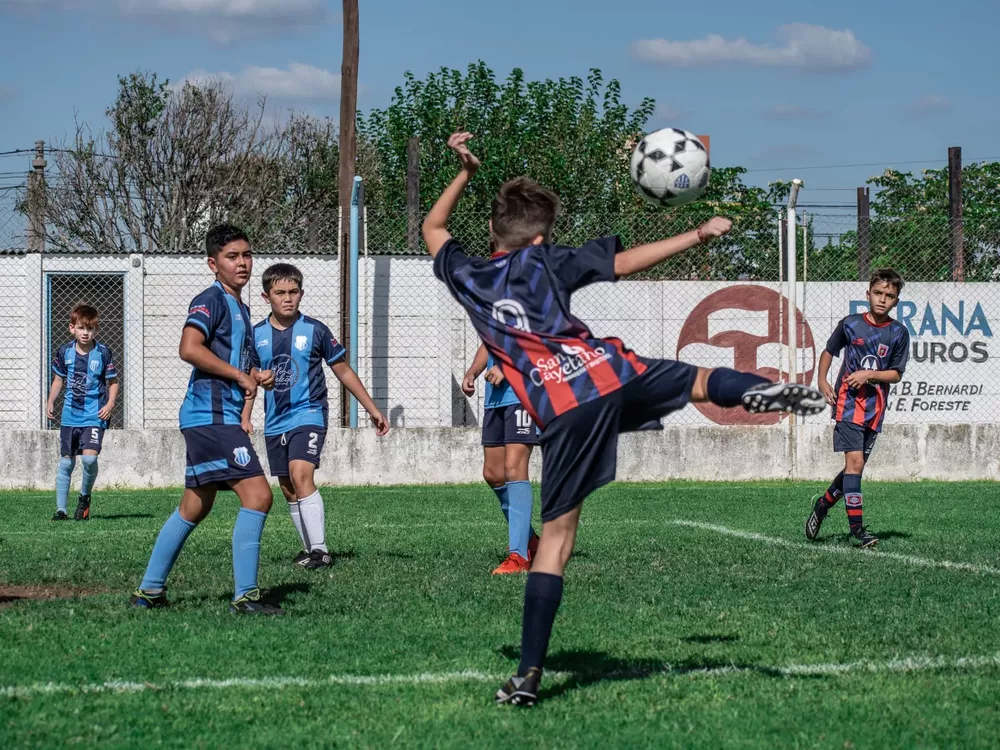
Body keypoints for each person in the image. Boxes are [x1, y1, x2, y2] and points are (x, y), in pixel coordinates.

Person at [424, 132, 827, 706]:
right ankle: (767, 392)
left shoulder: (467, 276)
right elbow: (621, 263)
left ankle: (528, 674)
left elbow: (434, 230)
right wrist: (696, 232)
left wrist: (463, 171)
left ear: (493, 234)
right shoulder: (545, 261)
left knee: (557, 541)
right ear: (540, 237)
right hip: (609, 369)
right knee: (701, 380)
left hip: (559, 405)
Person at [131, 224, 283, 615]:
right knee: (259, 496)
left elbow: (235, 361)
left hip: (213, 417)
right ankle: (246, 597)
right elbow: (189, 348)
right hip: (211, 417)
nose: (243, 263)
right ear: (213, 264)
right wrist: (238, 376)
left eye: (247, 255)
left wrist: (253, 374)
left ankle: (149, 591)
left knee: (194, 507)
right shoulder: (210, 299)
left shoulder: (242, 308)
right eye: (233, 257)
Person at [249, 263, 389, 569]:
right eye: (280, 293)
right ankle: (309, 549)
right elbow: (250, 379)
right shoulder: (256, 335)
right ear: (266, 296)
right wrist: (246, 414)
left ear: (301, 293)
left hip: (309, 413)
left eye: (294, 292)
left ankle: (321, 551)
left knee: (302, 474)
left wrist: (373, 409)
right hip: (274, 421)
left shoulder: (316, 330)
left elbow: (343, 371)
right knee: (288, 487)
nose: (288, 298)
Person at [805, 269, 910, 548]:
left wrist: (869, 375)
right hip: (848, 405)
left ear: (896, 301)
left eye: (889, 296)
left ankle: (823, 504)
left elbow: (897, 374)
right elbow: (829, 351)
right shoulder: (850, 324)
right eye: (878, 293)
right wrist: (822, 380)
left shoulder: (899, 332)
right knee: (855, 464)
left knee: (855, 469)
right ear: (868, 294)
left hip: (875, 410)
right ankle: (858, 530)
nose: (882, 299)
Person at [462, 342, 540, 574]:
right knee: (493, 474)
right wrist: (473, 372)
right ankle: (532, 543)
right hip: (495, 398)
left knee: (514, 468)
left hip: (523, 394)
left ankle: (519, 555)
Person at [46, 304, 119, 521]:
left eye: (90, 329)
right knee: (67, 462)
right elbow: (58, 379)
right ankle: (61, 510)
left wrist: (111, 404)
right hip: (70, 414)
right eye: (81, 328)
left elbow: (113, 382)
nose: (85, 333)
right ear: (72, 329)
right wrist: (51, 401)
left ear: (95, 330)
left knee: (88, 460)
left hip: (94, 415)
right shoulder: (64, 352)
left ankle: (85, 497)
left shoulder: (103, 353)